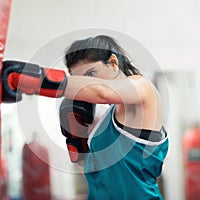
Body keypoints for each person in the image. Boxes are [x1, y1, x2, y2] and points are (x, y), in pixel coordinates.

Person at [62, 35, 169, 200]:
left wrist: (37, 80)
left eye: (91, 73)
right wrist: (76, 142)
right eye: (81, 79)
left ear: (113, 62)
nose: (86, 84)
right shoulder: (103, 123)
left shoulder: (142, 88)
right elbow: (98, 178)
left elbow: (103, 92)